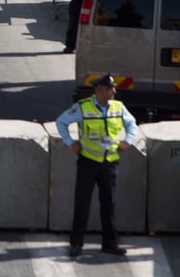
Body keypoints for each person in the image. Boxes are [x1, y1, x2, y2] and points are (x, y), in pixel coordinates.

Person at [55, 73, 138, 258]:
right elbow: (61, 122)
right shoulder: (83, 107)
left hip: (110, 162)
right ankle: (76, 244)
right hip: (89, 162)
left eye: (113, 88)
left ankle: (110, 244)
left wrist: (128, 141)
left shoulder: (118, 107)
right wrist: (70, 142)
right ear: (99, 90)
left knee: (109, 204)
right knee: (82, 204)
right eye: (110, 89)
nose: (114, 91)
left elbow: (132, 124)